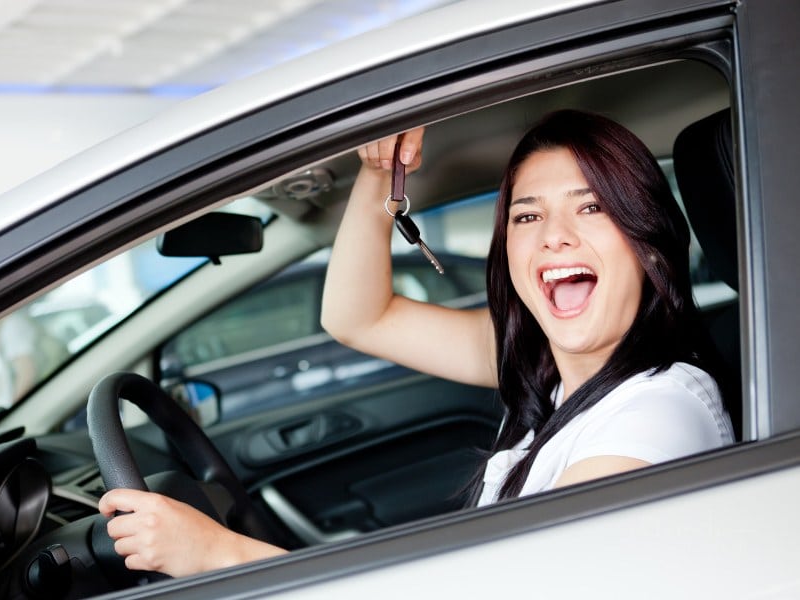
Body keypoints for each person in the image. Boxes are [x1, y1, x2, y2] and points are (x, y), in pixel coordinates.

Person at [98, 109, 734, 575]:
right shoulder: (548, 365)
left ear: (647, 241)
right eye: (527, 215)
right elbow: (358, 317)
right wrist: (383, 176)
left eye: (591, 207)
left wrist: (221, 553)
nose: (554, 237)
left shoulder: (658, 412)